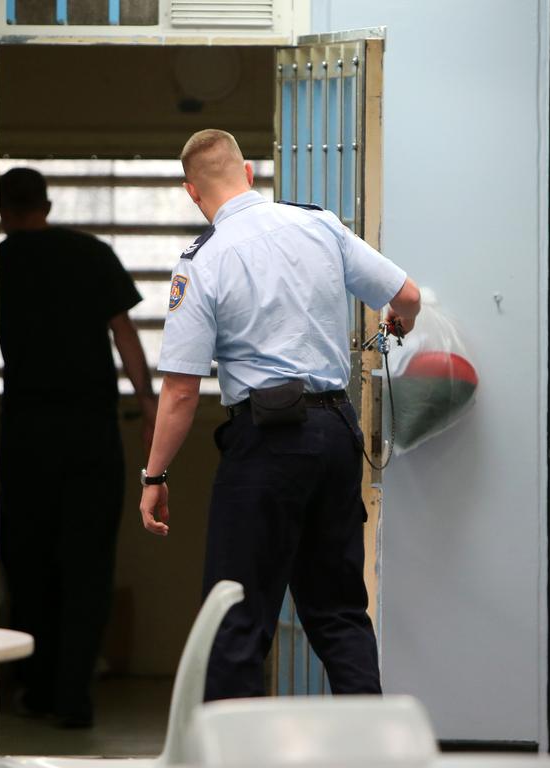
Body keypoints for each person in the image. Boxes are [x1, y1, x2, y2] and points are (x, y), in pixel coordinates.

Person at [138, 130, 421, 700]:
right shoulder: (319, 225)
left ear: (192, 192)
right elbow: (406, 296)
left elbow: (181, 392)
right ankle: (371, 751)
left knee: (237, 614)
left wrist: (154, 476)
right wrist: (400, 326)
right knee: (339, 610)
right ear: (247, 173)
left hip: (266, 445)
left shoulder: (203, 261)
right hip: (335, 433)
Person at [0, 167, 157, 727]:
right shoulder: (90, 253)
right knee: (88, 565)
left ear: (1, 210)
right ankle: (75, 701)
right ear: (47, 203)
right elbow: (124, 333)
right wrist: (150, 403)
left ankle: (37, 690)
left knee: (29, 563)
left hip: (25, 433)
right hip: (90, 430)